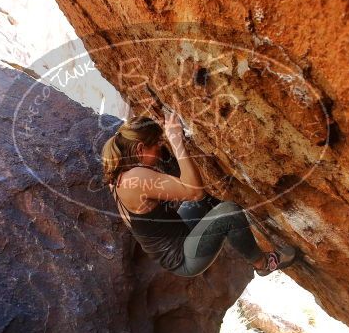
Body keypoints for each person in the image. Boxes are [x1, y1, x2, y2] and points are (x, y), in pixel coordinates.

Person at [101, 111, 296, 277]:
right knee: (228, 212)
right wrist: (177, 142)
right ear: (140, 148)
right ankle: (262, 264)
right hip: (183, 257)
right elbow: (194, 192)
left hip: (182, 232)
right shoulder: (134, 179)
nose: (161, 149)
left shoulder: (120, 175)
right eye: (157, 144)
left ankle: (238, 234)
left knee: (207, 201)